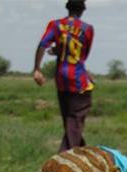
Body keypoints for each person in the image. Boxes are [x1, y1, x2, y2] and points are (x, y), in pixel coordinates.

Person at [33, 0, 95, 152]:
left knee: (70, 122)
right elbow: (82, 55)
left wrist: (37, 69)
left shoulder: (56, 25)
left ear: (67, 8)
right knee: (74, 122)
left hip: (61, 79)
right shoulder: (87, 29)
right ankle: (64, 158)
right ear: (82, 10)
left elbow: (42, 45)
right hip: (79, 81)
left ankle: (83, 157)